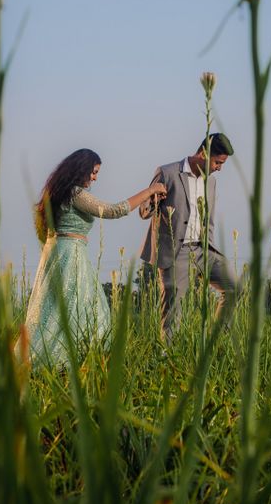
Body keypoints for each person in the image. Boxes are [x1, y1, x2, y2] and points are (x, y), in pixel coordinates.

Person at [23, 148, 166, 367]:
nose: (95, 177)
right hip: (70, 255)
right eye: (93, 172)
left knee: (59, 311)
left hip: (58, 252)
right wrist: (149, 191)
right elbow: (112, 211)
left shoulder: (57, 192)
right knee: (83, 311)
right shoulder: (74, 193)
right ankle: (68, 362)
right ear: (81, 168)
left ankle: (70, 361)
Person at [139, 133, 238, 339]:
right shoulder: (167, 172)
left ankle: (215, 342)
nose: (219, 168)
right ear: (203, 153)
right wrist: (154, 201)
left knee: (234, 288)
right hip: (176, 252)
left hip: (203, 249)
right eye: (218, 162)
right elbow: (144, 211)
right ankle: (167, 361)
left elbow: (208, 220)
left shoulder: (211, 182)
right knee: (173, 311)